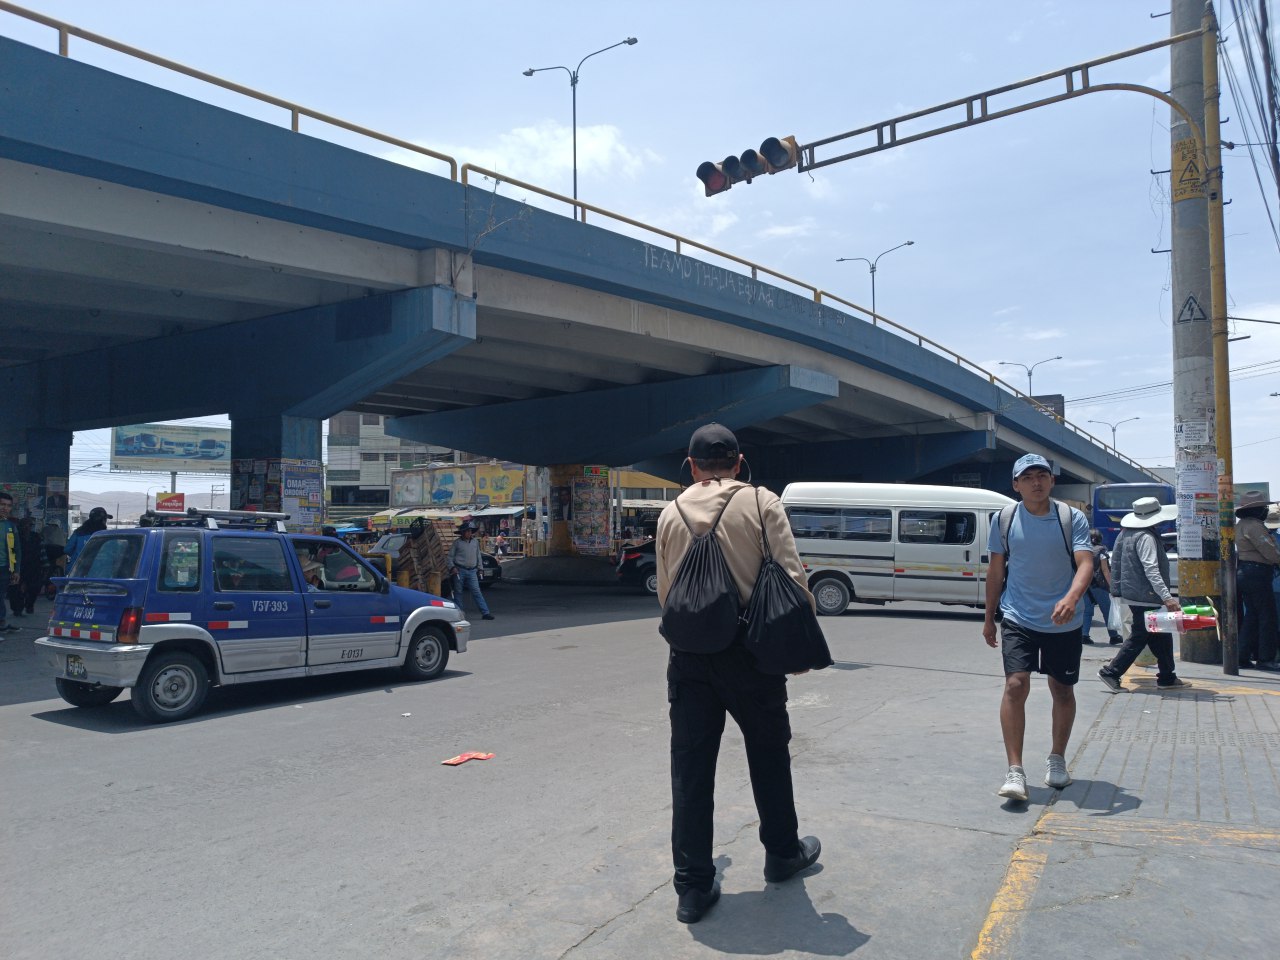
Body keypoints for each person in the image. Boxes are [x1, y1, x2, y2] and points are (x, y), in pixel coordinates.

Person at [656, 423, 820, 925]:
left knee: (690, 769)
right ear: (739, 461)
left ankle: (692, 887)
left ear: (691, 466)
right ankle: (782, 853)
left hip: (689, 657)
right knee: (769, 755)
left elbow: (665, 594)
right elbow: (791, 575)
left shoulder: (670, 512)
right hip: (752, 655)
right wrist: (797, 645)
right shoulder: (761, 502)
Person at [983, 454, 1092, 803]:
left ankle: (1057, 759)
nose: (1036, 482)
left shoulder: (1070, 518)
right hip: (1018, 616)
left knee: (1062, 689)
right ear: (1016, 485)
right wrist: (989, 617)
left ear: (1052, 481)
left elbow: (1085, 563)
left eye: (1042, 475)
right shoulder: (1004, 519)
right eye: (1027, 477)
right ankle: (1015, 771)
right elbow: (996, 571)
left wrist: (1071, 598)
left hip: (1065, 620)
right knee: (1016, 685)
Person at [1097, 497, 1188, 691]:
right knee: (1140, 635)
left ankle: (1167, 676)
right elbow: (1151, 570)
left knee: (1160, 633)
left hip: (1134, 593)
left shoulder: (1126, 534)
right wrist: (1167, 597)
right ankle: (1111, 672)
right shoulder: (1146, 537)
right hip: (1144, 595)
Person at [1234, 494, 1280, 671]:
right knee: (1268, 617)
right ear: (1256, 510)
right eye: (1263, 508)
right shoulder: (1254, 526)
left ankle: (1242, 656)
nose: (1265, 511)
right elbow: (1269, 550)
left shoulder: (1241, 525)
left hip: (1246, 572)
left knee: (1252, 616)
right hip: (1257, 573)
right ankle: (1265, 659)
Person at [1079, 529, 1123, 645]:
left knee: (1087, 610)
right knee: (1107, 609)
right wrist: (1112, 586)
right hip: (1098, 584)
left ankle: (1084, 635)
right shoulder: (1101, 550)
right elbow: (1105, 570)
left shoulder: (1082, 550)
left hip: (1083, 584)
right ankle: (1114, 636)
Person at [448, 522, 493, 620]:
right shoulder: (457, 543)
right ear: (462, 532)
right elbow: (450, 557)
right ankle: (460, 614)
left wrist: (480, 568)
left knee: (477, 591)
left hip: (472, 571)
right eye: (467, 531)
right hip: (459, 570)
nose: (469, 533)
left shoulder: (475, 542)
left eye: (470, 531)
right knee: (458, 592)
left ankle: (485, 613)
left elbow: (478, 556)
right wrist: (452, 567)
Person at [10, 517, 47, 616]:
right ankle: (17, 609)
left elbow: (42, 552)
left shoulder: (36, 537)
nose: (27, 527)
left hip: (34, 567)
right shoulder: (15, 537)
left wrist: (45, 565)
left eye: (29, 525)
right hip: (18, 567)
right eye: (25, 525)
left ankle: (29, 605)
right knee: (15, 589)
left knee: (35, 587)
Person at [0, 492, 23, 633]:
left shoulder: (10, 526)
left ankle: (2, 624)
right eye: (2, 504)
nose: (5, 508)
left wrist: (16, 570)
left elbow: (16, 549)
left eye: (8, 506)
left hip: (4, 568)